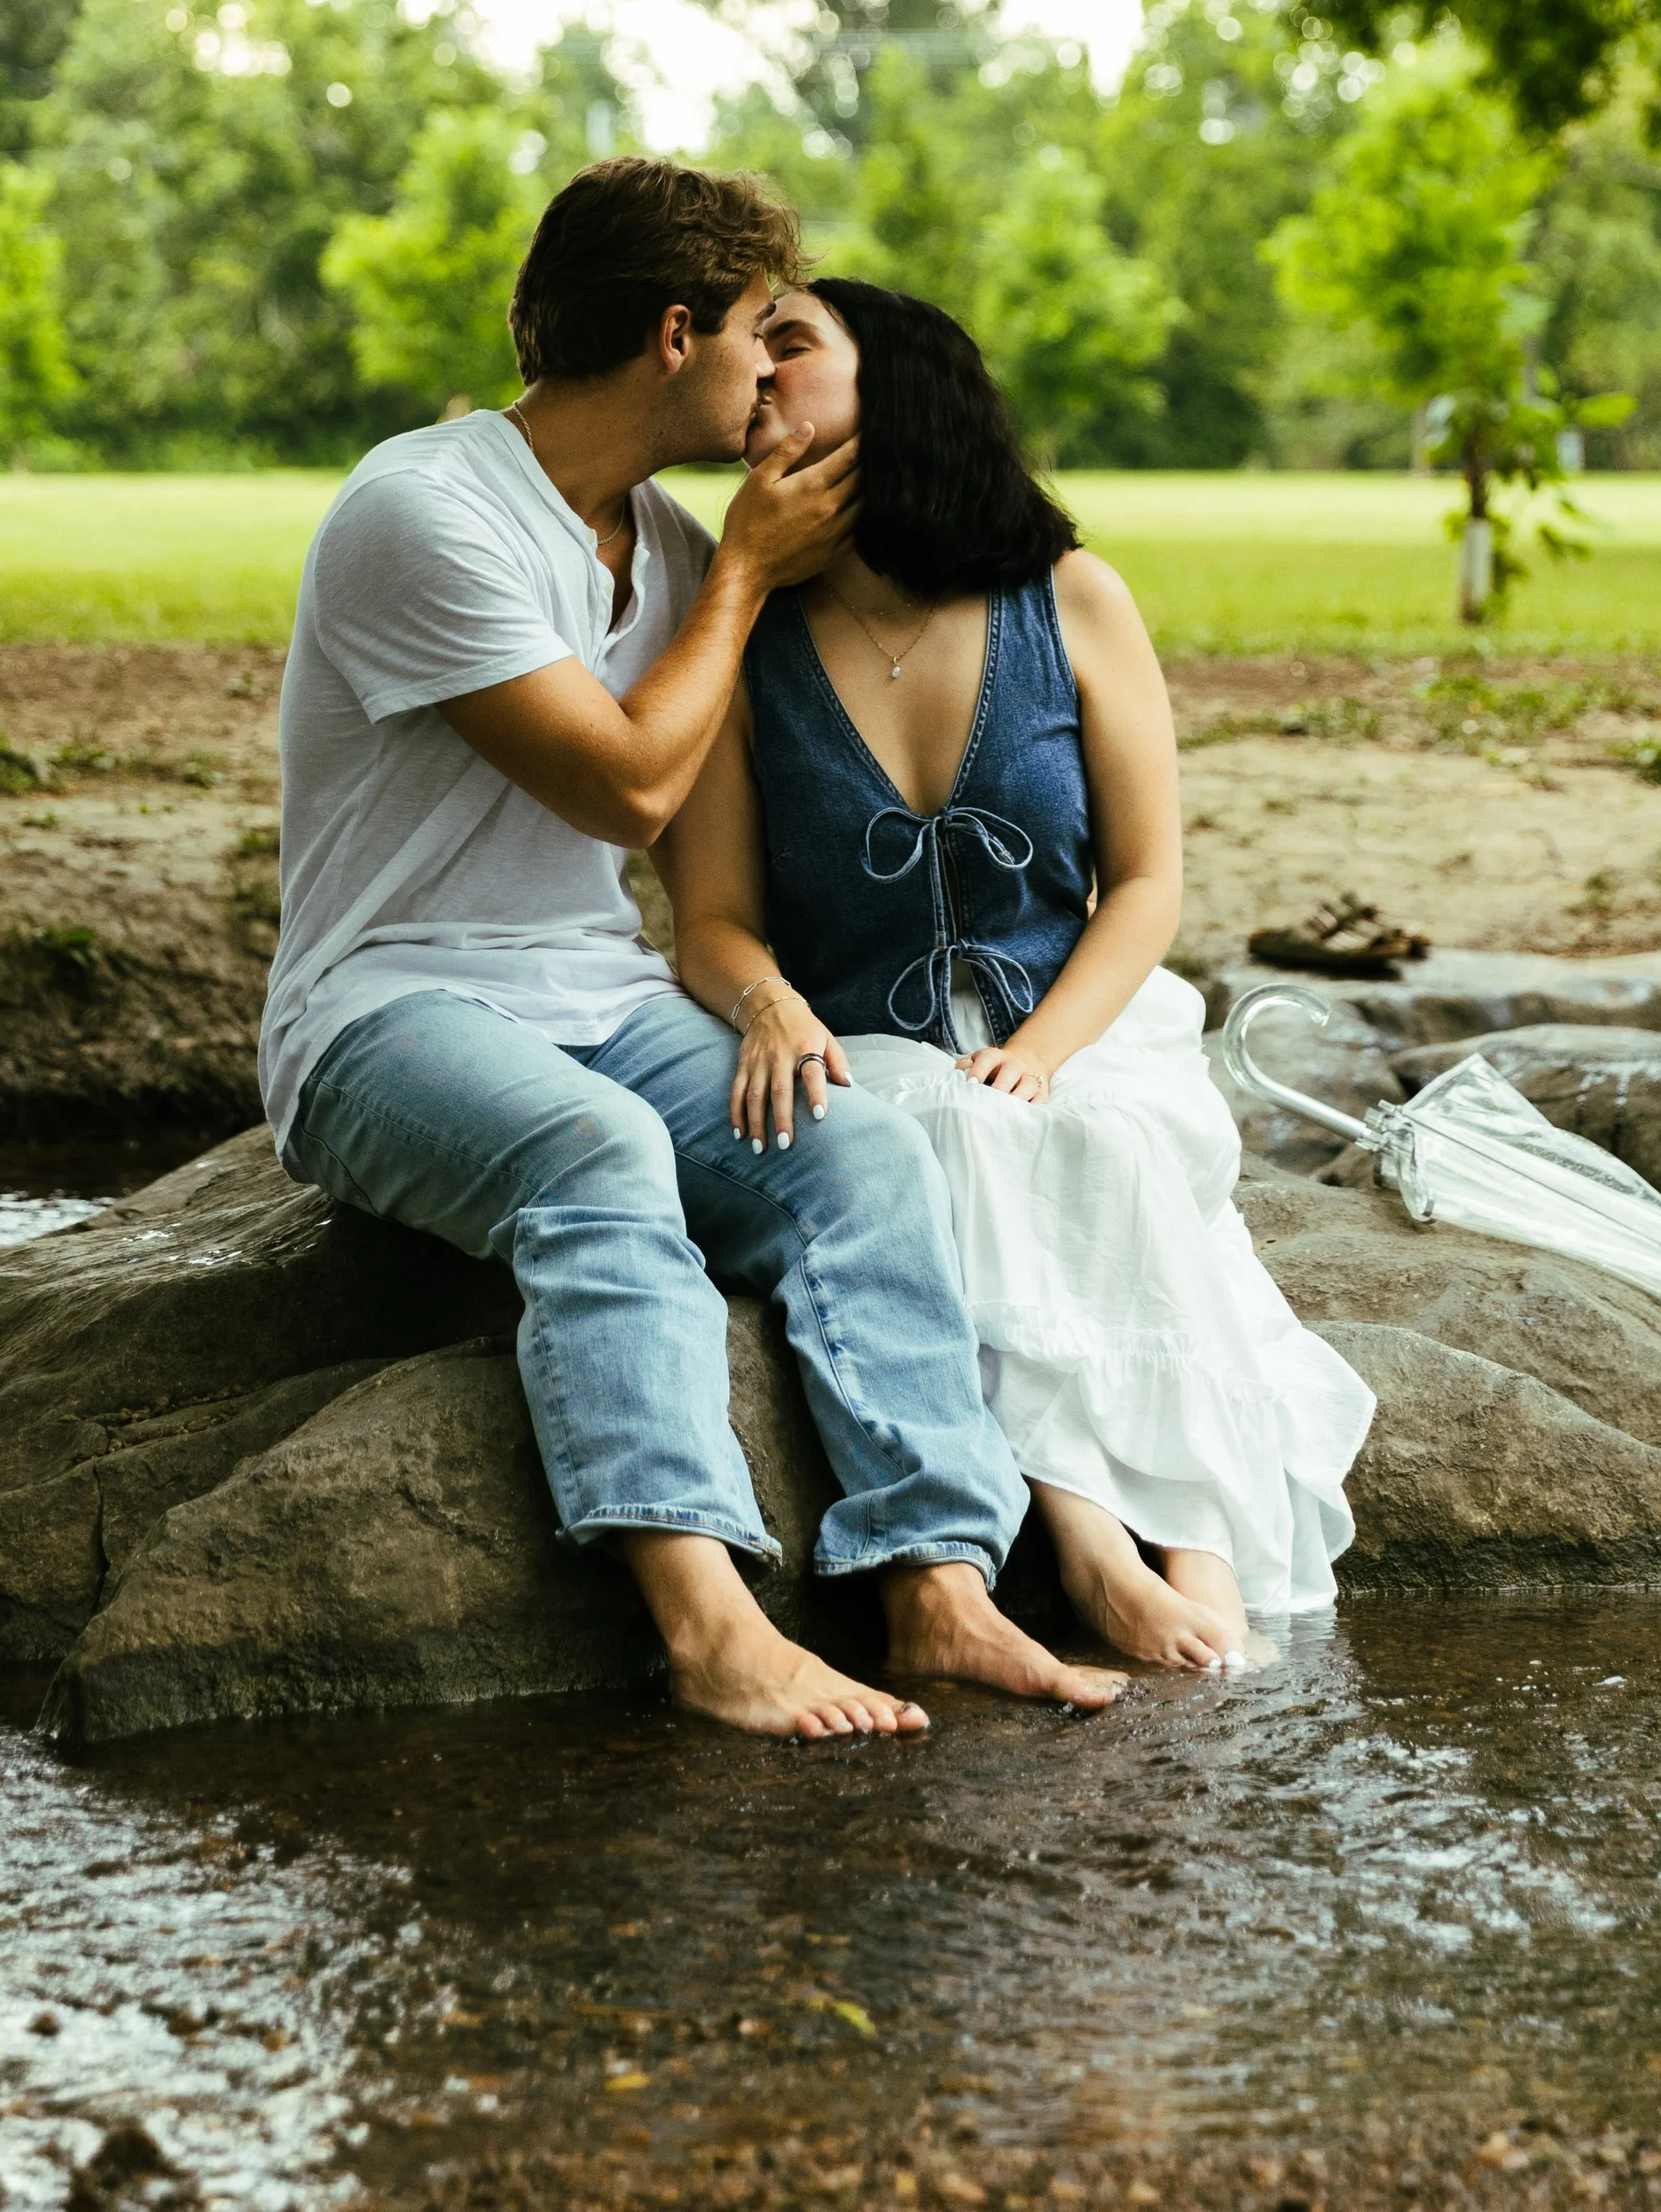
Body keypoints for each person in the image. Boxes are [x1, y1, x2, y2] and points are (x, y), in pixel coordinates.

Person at [262, 161, 1122, 1742]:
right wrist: (743, 571)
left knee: (855, 1149)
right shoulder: (422, 512)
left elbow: (703, 870)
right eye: (758, 333)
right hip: (384, 1011)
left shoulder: (655, 539)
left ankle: (933, 1582)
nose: (772, 370)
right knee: (595, 1158)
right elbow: (630, 779)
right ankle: (711, 1622)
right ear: (678, 336)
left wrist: (773, 993)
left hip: (592, 993)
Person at [662, 278, 1376, 1671]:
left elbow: (1149, 881)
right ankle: (1098, 1552)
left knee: (1087, 1129)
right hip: (863, 1037)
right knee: (944, 1129)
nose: (756, 373)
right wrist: (770, 1001)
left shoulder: (1072, 596)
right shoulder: (736, 639)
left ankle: (1204, 1553)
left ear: (903, 384)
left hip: (1084, 1016)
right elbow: (711, 919)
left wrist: (1048, 1043)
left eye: (793, 346)